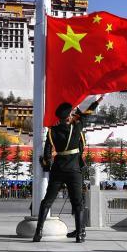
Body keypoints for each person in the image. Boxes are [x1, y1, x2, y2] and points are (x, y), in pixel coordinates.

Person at [34, 96, 103, 243]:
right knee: (78, 203)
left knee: (47, 201)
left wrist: (46, 165)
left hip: (58, 170)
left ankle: (38, 232)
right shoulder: (76, 127)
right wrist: (97, 102)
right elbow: (86, 114)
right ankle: (80, 234)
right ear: (69, 117)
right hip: (74, 170)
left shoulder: (52, 131)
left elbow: (47, 153)